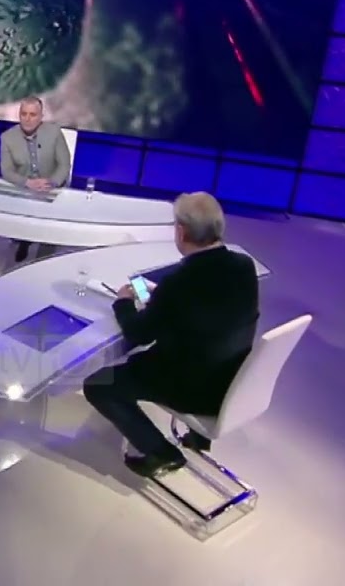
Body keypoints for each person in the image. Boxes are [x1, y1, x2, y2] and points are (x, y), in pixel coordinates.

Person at [82, 192, 259, 478]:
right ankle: (199, 438)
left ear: (181, 231)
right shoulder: (243, 265)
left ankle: (160, 452)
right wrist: (163, 300)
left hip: (190, 387)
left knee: (98, 385)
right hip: (230, 378)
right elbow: (211, 309)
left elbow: (138, 334)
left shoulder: (178, 281)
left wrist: (123, 302)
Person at [0, 96, 72, 262]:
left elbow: (64, 164)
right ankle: (24, 241)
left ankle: (43, 257)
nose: (27, 118)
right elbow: (6, 170)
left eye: (32, 114)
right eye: (23, 114)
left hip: (51, 187)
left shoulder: (54, 132)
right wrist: (27, 183)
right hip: (26, 188)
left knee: (49, 225)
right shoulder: (7, 137)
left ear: (41, 117)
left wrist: (51, 182)